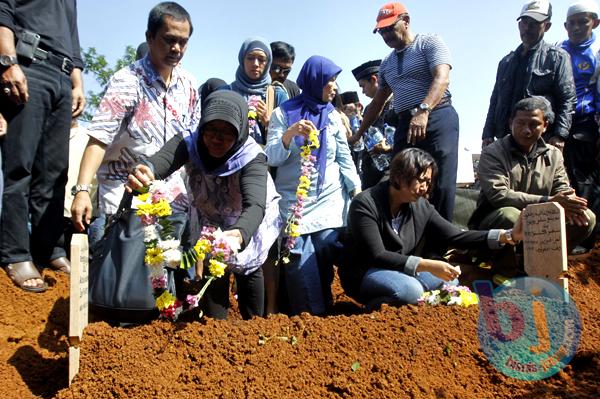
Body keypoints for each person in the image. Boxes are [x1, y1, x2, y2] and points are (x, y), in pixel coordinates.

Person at [127, 90, 281, 320]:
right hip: (210, 212)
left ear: (239, 131)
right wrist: (146, 170)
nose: (217, 139)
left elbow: (255, 205)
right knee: (212, 263)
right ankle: (215, 325)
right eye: (211, 129)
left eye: (227, 132)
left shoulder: (251, 157)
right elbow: (162, 161)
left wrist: (238, 234)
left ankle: (253, 326)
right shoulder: (190, 141)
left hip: (245, 219)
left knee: (248, 267)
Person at [71, 2, 199, 249]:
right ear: (150, 38)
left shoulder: (190, 86)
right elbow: (99, 138)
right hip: (122, 204)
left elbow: (192, 145)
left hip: (171, 207)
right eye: (169, 40)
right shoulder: (126, 81)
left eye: (183, 42)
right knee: (112, 283)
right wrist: (82, 190)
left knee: (162, 284)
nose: (176, 48)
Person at [338, 148, 523, 309]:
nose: (425, 187)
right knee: (412, 290)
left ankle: (407, 302)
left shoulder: (419, 206)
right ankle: (376, 308)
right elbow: (377, 255)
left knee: (449, 280)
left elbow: (454, 235)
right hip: (366, 271)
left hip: (400, 270)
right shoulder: (365, 204)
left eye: (428, 181)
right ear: (401, 176)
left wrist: (506, 235)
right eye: (421, 180)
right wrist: (426, 264)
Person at [265, 55, 361, 315]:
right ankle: (310, 317)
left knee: (324, 251)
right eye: (330, 80)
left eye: (335, 81)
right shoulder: (282, 114)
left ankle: (326, 312)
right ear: (314, 81)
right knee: (298, 261)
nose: (335, 87)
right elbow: (272, 156)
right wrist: (289, 134)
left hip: (329, 201)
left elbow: (344, 158)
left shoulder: (333, 117)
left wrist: (357, 192)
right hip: (294, 203)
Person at [0, 0, 85, 292]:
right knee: (19, 167)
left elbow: (72, 38)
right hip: (28, 65)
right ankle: (15, 254)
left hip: (62, 77)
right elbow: (3, 12)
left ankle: (50, 248)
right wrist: (7, 62)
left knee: (56, 172)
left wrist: (78, 82)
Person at [350, 2, 459, 223]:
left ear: (406, 21)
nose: (386, 34)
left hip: (437, 115)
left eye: (390, 28)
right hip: (406, 121)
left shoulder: (429, 43)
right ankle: (406, 235)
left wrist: (424, 109)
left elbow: (442, 78)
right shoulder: (387, 64)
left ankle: (440, 243)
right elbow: (377, 103)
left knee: (441, 179)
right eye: (382, 31)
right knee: (400, 178)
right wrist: (358, 134)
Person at [469, 97, 596, 279]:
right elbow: (499, 195)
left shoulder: (554, 155)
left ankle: (547, 266)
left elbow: (562, 188)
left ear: (545, 126)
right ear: (511, 122)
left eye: (534, 124)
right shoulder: (493, 152)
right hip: (494, 226)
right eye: (520, 123)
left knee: (586, 218)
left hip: (539, 223)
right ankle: (506, 272)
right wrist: (548, 201)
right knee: (510, 215)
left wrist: (570, 202)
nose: (526, 130)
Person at [482, 0, 576, 151]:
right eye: (524, 22)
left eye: (534, 23)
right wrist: (487, 134)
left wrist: (560, 135)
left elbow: (567, 99)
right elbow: (495, 100)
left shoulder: (557, 57)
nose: (527, 28)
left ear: (547, 26)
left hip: (541, 140)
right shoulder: (506, 62)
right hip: (507, 139)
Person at [560, 0, 600, 253]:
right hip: (562, 123)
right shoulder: (558, 50)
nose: (576, 27)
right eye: (572, 23)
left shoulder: (597, 51)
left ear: (594, 23)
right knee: (567, 180)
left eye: (582, 22)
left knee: (586, 181)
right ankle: (568, 234)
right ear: (564, 26)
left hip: (588, 123)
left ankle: (589, 239)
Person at [229, 37, 288, 145]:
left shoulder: (277, 95)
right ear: (242, 59)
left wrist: (269, 123)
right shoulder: (227, 92)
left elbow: (288, 139)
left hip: (264, 160)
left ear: (268, 63)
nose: (255, 64)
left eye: (261, 59)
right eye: (250, 58)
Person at [351, 59, 395, 190]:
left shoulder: (399, 102)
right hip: (372, 170)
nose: (363, 92)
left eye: (363, 86)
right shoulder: (369, 109)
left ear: (374, 79)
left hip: (393, 170)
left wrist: (390, 147)